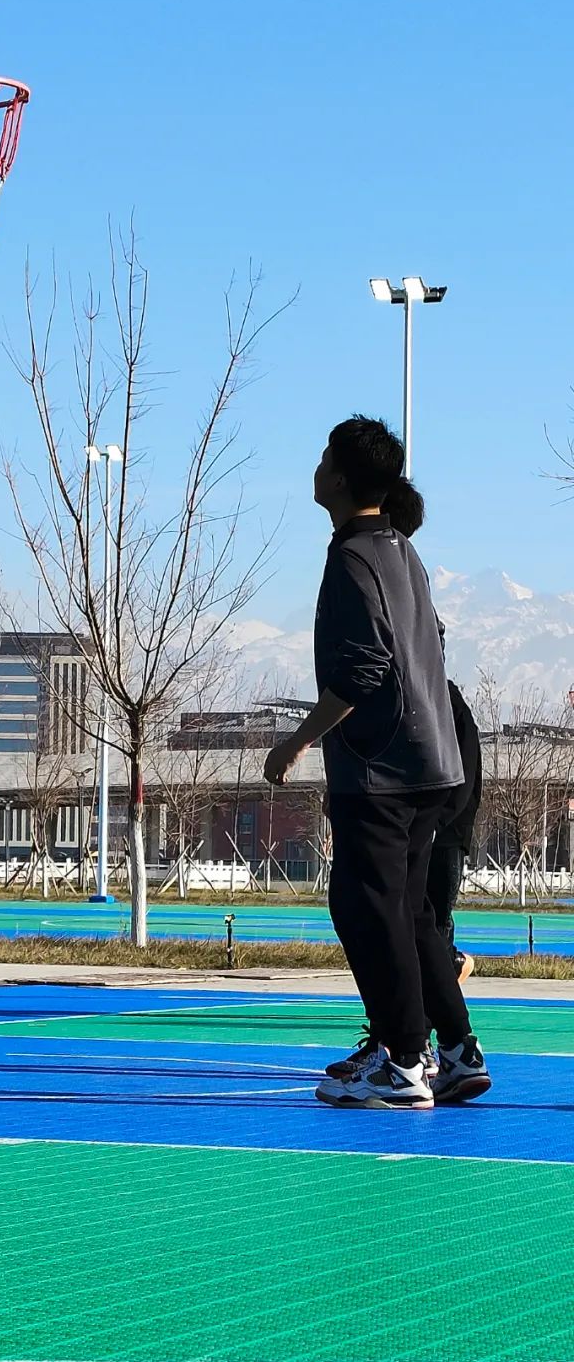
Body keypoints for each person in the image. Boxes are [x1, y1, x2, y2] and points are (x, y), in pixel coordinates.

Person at [264, 417, 490, 1107]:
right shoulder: (401, 551)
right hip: (432, 762)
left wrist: (296, 740)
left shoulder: (355, 558)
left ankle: (404, 1062)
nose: (316, 465)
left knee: (373, 911)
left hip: (383, 770)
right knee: (411, 911)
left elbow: (363, 669)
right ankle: (457, 1050)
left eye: (323, 456)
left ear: (339, 477)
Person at [381, 479, 482, 985]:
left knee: (427, 923)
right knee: (408, 924)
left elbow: (463, 777)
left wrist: (439, 823)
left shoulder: (446, 703)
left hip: (439, 831)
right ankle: (421, 1014)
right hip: (421, 825)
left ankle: (435, 1019)